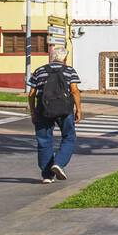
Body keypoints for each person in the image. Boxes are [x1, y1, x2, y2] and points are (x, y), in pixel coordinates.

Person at [27, 45, 82, 184]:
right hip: (64, 110)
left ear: (52, 57)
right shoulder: (69, 71)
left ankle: (47, 175)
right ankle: (59, 163)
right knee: (69, 137)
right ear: (65, 58)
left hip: (43, 109)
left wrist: (33, 112)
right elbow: (74, 90)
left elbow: (31, 93)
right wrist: (78, 109)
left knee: (44, 141)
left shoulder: (39, 71)